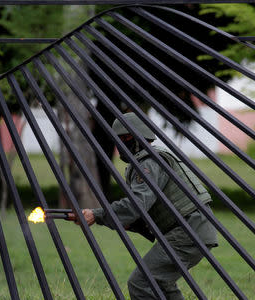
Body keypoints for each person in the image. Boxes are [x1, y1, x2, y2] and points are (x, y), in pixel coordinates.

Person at [69, 112, 218, 300]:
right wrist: (119, 221)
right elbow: (141, 213)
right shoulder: (148, 161)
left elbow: (135, 205)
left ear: (132, 137)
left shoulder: (149, 163)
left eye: (122, 139)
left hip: (188, 230)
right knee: (162, 284)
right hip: (192, 228)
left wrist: (97, 214)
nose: (119, 146)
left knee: (141, 283)